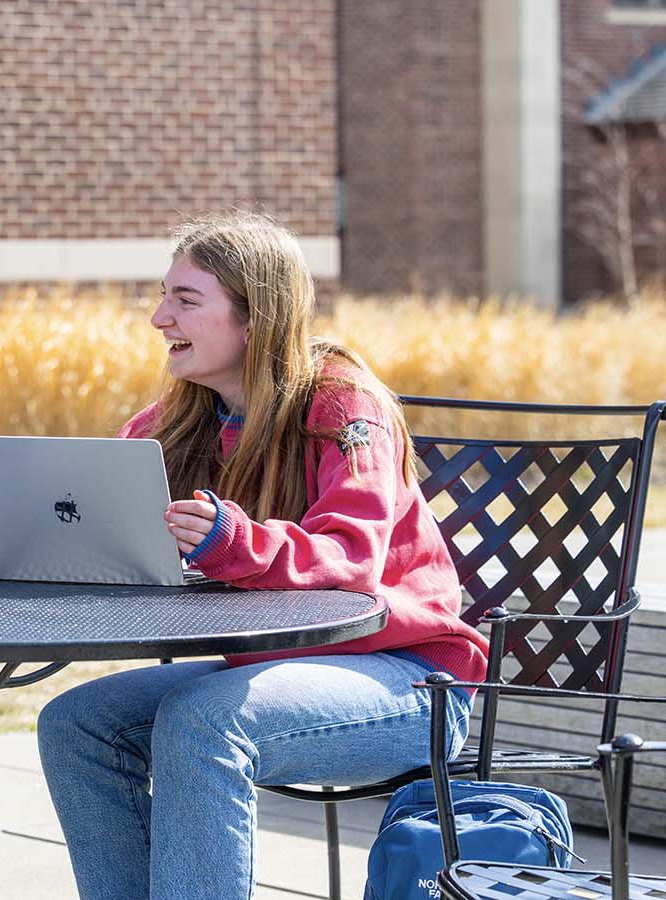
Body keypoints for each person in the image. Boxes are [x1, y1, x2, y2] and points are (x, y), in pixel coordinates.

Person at [35, 213, 489, 900]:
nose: (160, 317)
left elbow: (352, 556)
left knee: (204, 721)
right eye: (163, 296)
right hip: (278, 669)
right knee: (75, 723)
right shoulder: (176, 424)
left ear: (257, 316)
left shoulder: (344, 405)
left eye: (186, 300)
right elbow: (112, 521)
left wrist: (235, 542)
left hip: (408, 678)